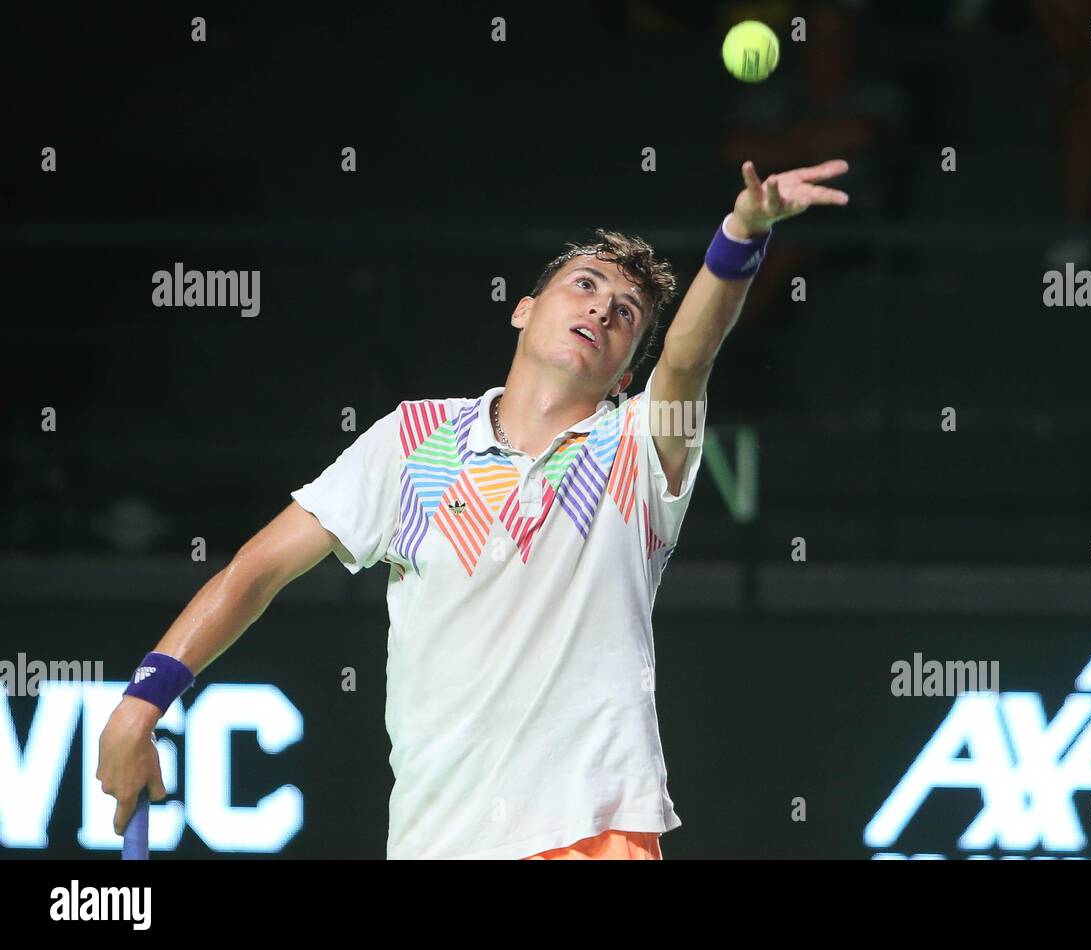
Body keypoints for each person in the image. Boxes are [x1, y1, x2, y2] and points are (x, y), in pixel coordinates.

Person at [95, 158, 851, 859]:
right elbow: (257, 570)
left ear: (627, 374)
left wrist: (741, 234)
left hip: (587, 836)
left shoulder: (642, 449)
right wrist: (141, 702)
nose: (602, 309)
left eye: (627, 314)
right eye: (584, 285)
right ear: (524, 310)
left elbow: (691, 354)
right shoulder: (411, 439)